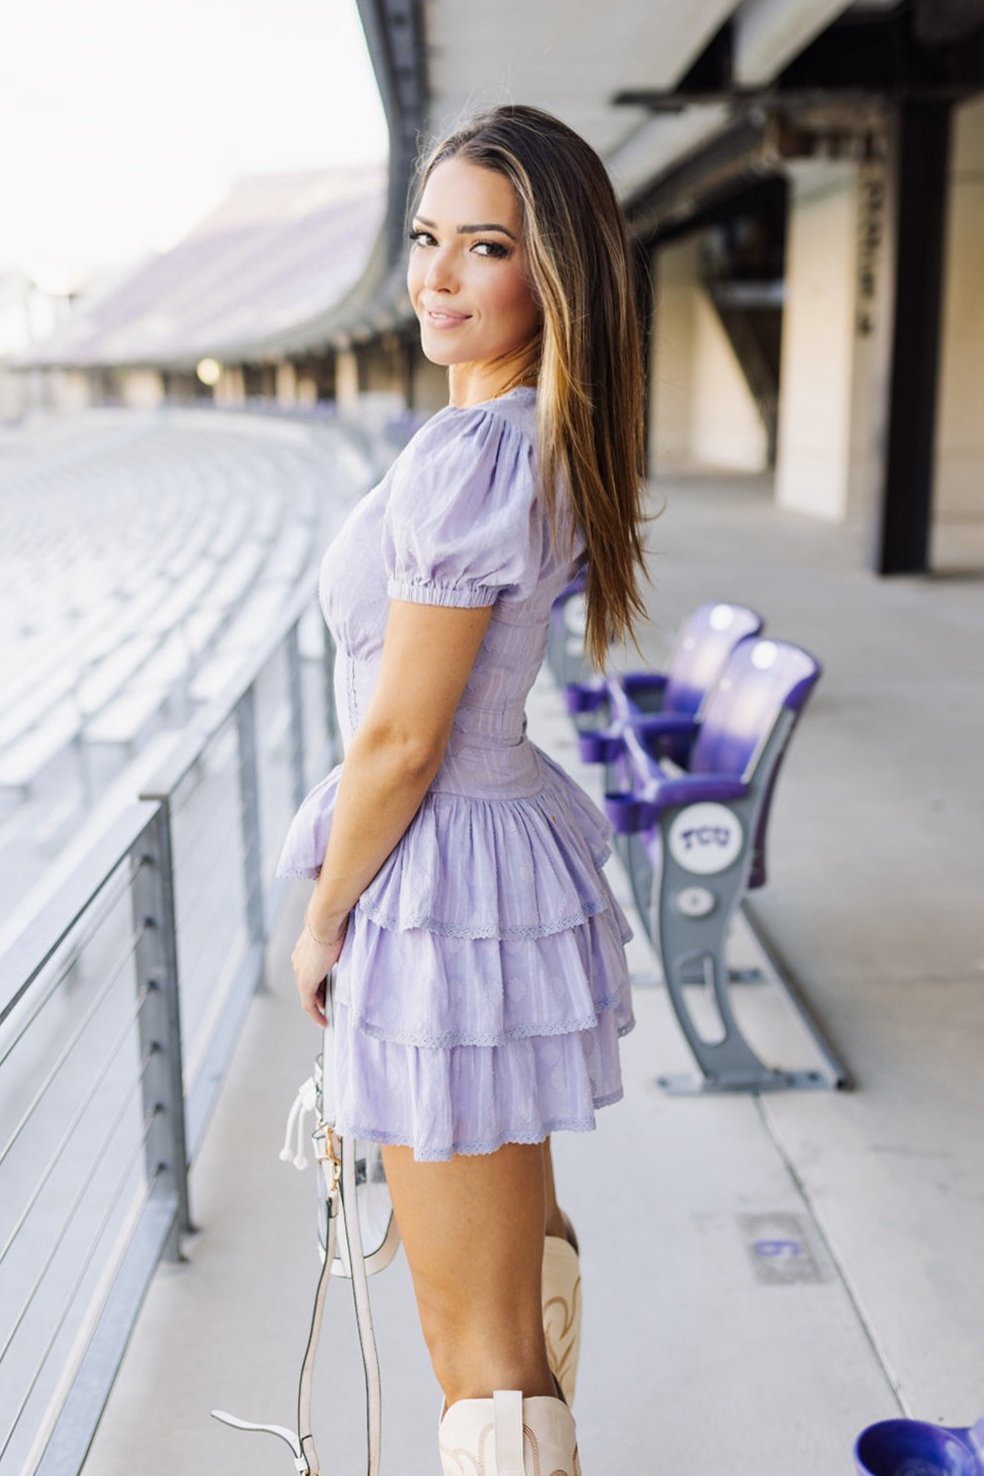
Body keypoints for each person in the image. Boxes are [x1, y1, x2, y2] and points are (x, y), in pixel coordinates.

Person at [276, 103, 652, 1476]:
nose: (437, 276)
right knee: (518, 1303)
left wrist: (326, 916)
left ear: (551, 274)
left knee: (477, 1358)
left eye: (481, 247)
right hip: (488, 862)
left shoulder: (472, 456)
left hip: (439, 877)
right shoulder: (536, 436)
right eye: (428, 238)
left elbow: (400, 742)